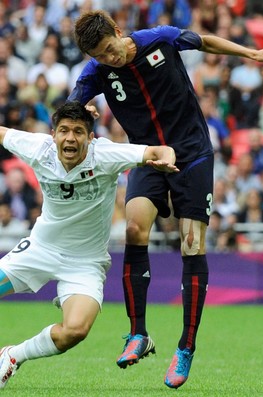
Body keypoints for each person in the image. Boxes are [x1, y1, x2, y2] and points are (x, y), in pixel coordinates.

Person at [68, 9, 263, 389]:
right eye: (101, 56)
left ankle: (185, 347)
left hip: (192, 154)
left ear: (118, 32)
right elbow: (72, 107)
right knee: (136, 227)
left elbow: (204, 41)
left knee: (192, 244)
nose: (110, 59)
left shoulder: (160, 38)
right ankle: (138, 334)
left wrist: (251, 54)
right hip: (149, 156)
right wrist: (84, 113)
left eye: (111, 49)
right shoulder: (96, 71)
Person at [0, 100, 178, 389]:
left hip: (84, 263)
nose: (70, 138)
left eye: (79, 132)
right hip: (39, 250)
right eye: (64, 131)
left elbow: (156, 150)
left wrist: (166, 157)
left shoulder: (104, 155)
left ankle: (12, 356)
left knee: (75, 331)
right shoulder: (38, 148)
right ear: (54, 134)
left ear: (90, 137)